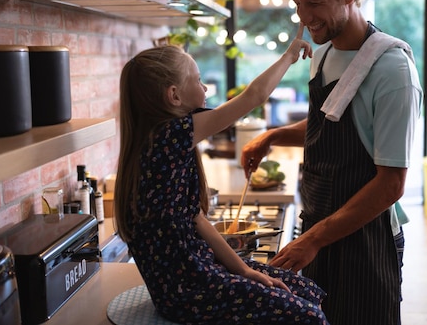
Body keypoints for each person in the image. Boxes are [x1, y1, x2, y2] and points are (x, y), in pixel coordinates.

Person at [240, 0, 423, 325]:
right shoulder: (322, 54)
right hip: (321, 226)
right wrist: (272, 137)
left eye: (315, 4)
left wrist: (313, 239)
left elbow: (391, 184)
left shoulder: (393, 70)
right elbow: (333, 119)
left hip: (366, 243)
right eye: (298, 4)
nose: (304, 17)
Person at [114, 35, 331, 324]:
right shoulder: (171, 135)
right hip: (188, 290)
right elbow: (254, 96)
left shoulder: (164, 140)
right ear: (174, 95)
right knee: (308, 316)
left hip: (197, 274)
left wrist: (245, 270)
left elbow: (196, 218)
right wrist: (289, 56)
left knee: (304, 290)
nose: (204, 87)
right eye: (198, 79)